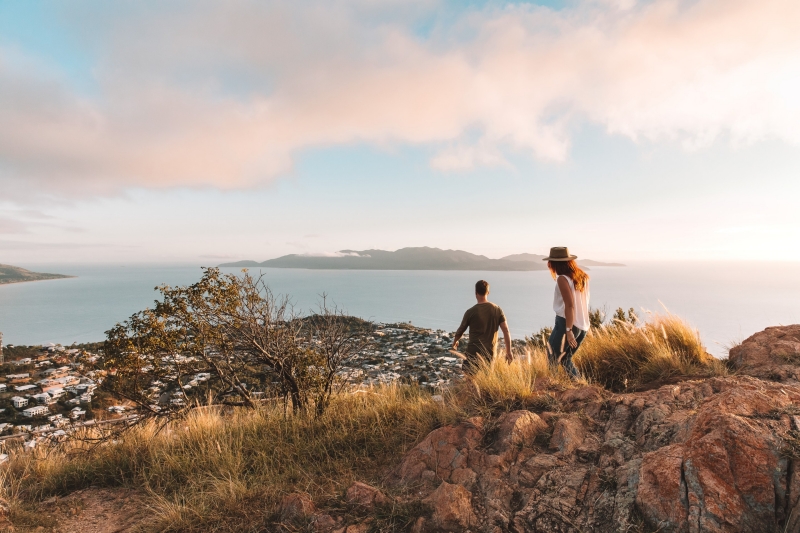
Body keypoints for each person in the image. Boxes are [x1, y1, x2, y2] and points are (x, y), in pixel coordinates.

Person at [543, 247, 590, 379]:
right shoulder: (582, 277)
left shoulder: (562, 279)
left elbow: (569, 305)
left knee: (552, 357)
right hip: (582, 325)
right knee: (565, 359)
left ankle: (552, 386)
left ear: (554, 263)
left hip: (566, 323)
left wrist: (568, 330)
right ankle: (579, 385)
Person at [451, 280, 512, 374]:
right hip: (489, 353)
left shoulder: (470, 312)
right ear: (488, 292)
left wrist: (455, 341)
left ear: (475, 293)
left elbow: (460, 330)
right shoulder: (497, 309)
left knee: (469, 380)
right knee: (486, 379)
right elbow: (506, 330)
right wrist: (509, 351)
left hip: (473, 352)